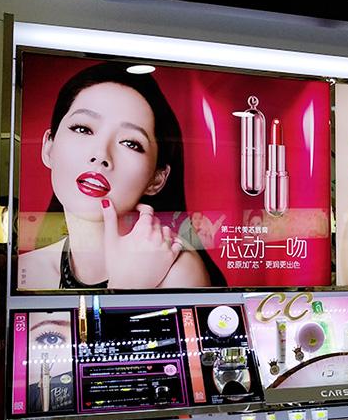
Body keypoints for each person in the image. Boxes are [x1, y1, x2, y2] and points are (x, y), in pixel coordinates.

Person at [18, 61, 224, 290]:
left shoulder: (177, 271)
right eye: (83, 129)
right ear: (49, 147)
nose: (101, 154)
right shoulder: (28, 271)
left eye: (130, 143)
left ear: (157, 179)